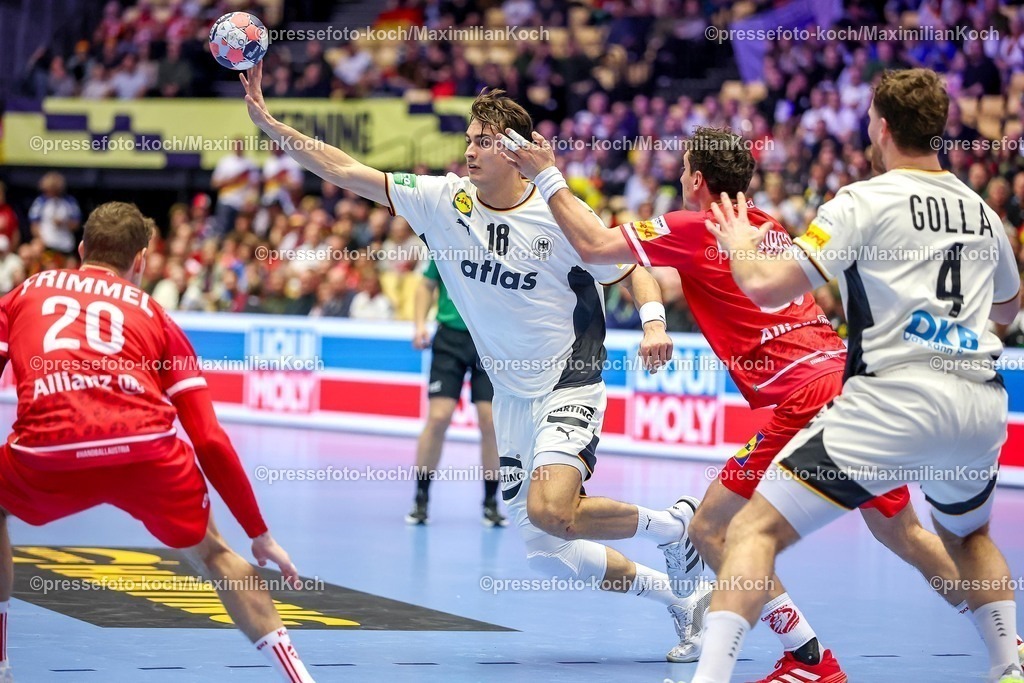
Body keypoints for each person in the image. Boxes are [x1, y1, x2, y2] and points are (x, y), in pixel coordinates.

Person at [498, 121, 1024, 679]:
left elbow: (596, 246)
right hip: (847, 382)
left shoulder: (695, 224)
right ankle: (1008, 643)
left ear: (696, 179)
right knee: (904, 533)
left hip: (804, 396)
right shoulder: (764, 226)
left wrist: (547, 175)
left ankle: (808, 658)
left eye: (681, 172)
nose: (677, 179)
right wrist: (653, 312)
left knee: (710, 528)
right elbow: (687, 281)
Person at [239, 63, 707, 652]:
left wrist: (654, 324)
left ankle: (676, 525)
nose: (470, 150)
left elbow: (634, 265)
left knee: (550, 508)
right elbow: (345, 169)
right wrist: (272, 124)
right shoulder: (442, 201)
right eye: (469, 138)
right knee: (546, 553)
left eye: (483, 141)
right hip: (510, 393)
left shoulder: (557, 216)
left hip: (570, 377)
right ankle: (680, 595)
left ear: (514, 153)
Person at [695, 68, 1023, 683]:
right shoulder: (983, 214)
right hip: (979, 401)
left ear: (881, 126)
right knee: (971, 535)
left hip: (891, 400)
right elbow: (1008, 308)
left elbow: (767, 288)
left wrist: (740, 240)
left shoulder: (861, 201)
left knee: (751, 530)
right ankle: (1009, 665)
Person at [0, 202, 316, 683]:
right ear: (142, 261)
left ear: (82, 249)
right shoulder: (156, 316)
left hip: (47, 452)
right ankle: (299, 678)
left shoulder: (25, 294)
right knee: (214, 552)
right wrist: (260, 533)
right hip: (146, 451)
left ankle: (2, 662)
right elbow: (208, 439)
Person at [408, 259, 504, 526]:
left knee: (491, 421)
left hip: (489, 340)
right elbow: (426, 285)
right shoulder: (445, 239)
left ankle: (490, 502)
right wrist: (418, 325)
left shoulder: (500, 243)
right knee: (438, 417)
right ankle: (421, 498)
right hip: (450, 338)